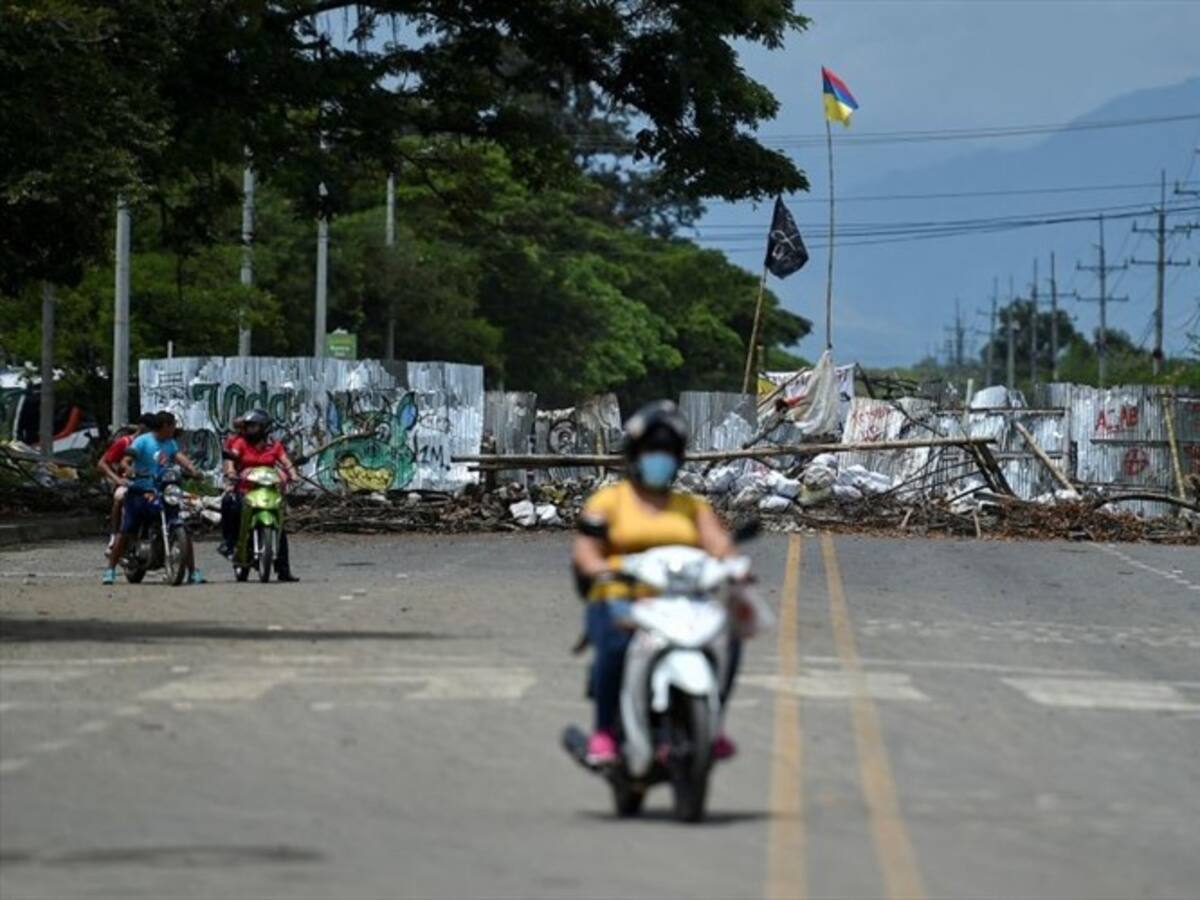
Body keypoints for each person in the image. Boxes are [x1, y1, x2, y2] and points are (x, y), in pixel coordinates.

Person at [571, 400, 740, 766]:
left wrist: (734, 564)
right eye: (651, 452)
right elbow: (586, 548)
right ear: (635, 455)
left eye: (666, 453)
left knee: (727, 638)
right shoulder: (609, 501)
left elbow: (717, 543)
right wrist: (599, 568)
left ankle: (712, 723)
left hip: (681, 601)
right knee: (616, 645)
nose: (658, 460)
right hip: (621, 597)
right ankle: (604, 732)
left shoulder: (692, 507)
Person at [102, 411, 202, 585]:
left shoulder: (170, 442)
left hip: (164, 491)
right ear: (165, 426)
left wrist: (193, 470)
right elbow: (127, 459)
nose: (174, 429)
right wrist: (129, 469)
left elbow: (179, 457)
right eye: (172, 425)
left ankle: (193, 571)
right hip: (141, 490)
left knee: (181, 527)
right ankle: (110, 569)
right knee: (127, 529)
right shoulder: (142, 441)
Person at [220, 408, 299, 581]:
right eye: (248, 426)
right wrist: (231, 472)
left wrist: (293, 474)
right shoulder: (240, 443)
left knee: (279, 526)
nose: (248, 430)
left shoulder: (274, 446)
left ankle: (283, 569)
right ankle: (230, 544)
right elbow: (231, 459)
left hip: (268, 490)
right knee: (230, 505)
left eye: (253, 426)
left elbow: (286, 461)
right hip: (245, 490)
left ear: (263, 428)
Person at [97, 413, 157, 554]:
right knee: (120, 498)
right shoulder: (124, 443)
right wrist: (117, 479)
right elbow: (102, 463)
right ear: (142, 427)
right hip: (128, 483)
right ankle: (114, 538)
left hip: (149, 483)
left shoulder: (155, 444)